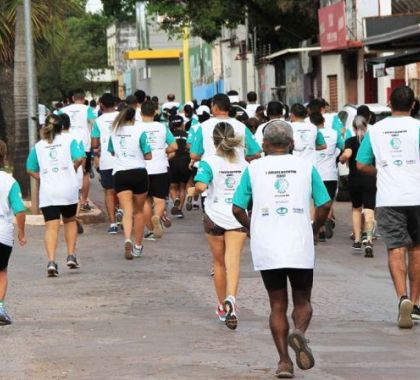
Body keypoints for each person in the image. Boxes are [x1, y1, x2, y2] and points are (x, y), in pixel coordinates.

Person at [232, 121, 331, 378]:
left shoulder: (253, 168)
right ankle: (299, 333)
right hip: (299, 242)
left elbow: (237, 208)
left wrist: (253, 227)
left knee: (277, 304)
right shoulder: (306, 167)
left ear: (264, 145)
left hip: (267, 244)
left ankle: (284, 362)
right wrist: (315, 227)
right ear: (293, 144)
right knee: (303, 300)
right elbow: (325, 204)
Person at [356, 85, 420, 328]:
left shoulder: (376, 130)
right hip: (417, 195)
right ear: (413, 105)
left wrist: (382, 170)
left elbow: (361, 164)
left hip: (389, 198)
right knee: (416, 249)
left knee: (395, 249)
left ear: (389, 104)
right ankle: (414, 304)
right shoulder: (418, 127)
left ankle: (401, 297)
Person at [188, 122, 248, 330]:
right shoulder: (244, 163)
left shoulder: (208, 162)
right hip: (238, 217)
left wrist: (192, 192)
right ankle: (232, 298)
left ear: (214, 141)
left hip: (214, 217)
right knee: (233, 262)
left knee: (219, 263)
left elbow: (202, 186)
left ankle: (223, 307)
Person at [26, 114, 85, 277]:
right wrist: (72, 168)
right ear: (61, 127)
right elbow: (79, 158)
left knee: (51, 226)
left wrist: (42, 177)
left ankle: (51, 262)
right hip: (68, 189)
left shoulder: (38, 146)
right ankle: (71, 256)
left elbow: (29, 168)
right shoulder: (69, 141)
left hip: (48, 191)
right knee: (69, 221)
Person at [189, 94, 261, 210]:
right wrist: (243, 157)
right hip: (238, 181)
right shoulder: (241, 126)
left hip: (211, 181)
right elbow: (256, 152)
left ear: (215, 107)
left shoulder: (203, 127)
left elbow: (194, 155)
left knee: (212, 220)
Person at [108, 106, 152, 259]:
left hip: (120, 173)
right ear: (134, 118)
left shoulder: (114, 132)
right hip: (138, 172)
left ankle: (127, 238)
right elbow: (148, 155)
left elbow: (112, 151)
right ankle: (138, 246)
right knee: (138, 211)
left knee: (127, 210)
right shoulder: (140, 131)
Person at [138, 100, 177, 240]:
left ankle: (150, 230)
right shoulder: (162, 127)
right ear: (155, 112)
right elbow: (174, 147)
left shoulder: (136, 128)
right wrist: (162, 149)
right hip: (160, 167)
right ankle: (157, 217)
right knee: (160, 200)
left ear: (141, 113)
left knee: (146, 201)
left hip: (142, 168)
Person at [339, 116, 376, 256]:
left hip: (354, 180)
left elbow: (347, 154)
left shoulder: (350, 141)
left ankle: (357, 239)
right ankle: (369, 240)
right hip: (370, 178)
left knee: (356, 208)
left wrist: (342, 159)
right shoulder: (372, 140)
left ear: (354, 128)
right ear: (366, 126)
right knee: (369, 209)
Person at [0, 141, 26, 325]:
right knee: (1, 271)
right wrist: (22, 233)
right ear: (5, 157)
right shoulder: (9, 181)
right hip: (2, 233)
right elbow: (19, 210)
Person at [60, 89, 97, 212]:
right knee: (84, 173)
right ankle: (83, 201)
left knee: (66, 170)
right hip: (83, 145)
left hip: (65, 143)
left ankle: (68, 199)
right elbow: (94, 124)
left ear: (72, 98)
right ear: (84, 98)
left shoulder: (63, 110)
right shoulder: (88, 109)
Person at [312, 112, 344, 241]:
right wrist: (334, 156)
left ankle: (319, 228)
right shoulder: (334, 133)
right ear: (323, 121)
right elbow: (341, 147)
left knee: (316, 202)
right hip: (330, 173)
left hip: (316, 173)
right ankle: (328, 219)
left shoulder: (311, 133)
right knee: (328, 201)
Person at [91, 93, 120, 234]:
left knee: (109, 192)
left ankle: (113, 223)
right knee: (124, 191)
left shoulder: (99, 121)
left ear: (101, 105)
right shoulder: (123, 116)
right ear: (115, 103)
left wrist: (97, 150)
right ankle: (122, 211)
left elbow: (94, 144)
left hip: (107, 161)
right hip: (124, 161)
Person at [168, 115, 191, 218]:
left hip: (173, 161)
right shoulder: (187, 135)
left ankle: (175, 199)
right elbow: (190, 148)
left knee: (172, 186)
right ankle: (179, 210)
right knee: (182, 186)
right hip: (185, 161)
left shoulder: (169, 135)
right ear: (182, 124)